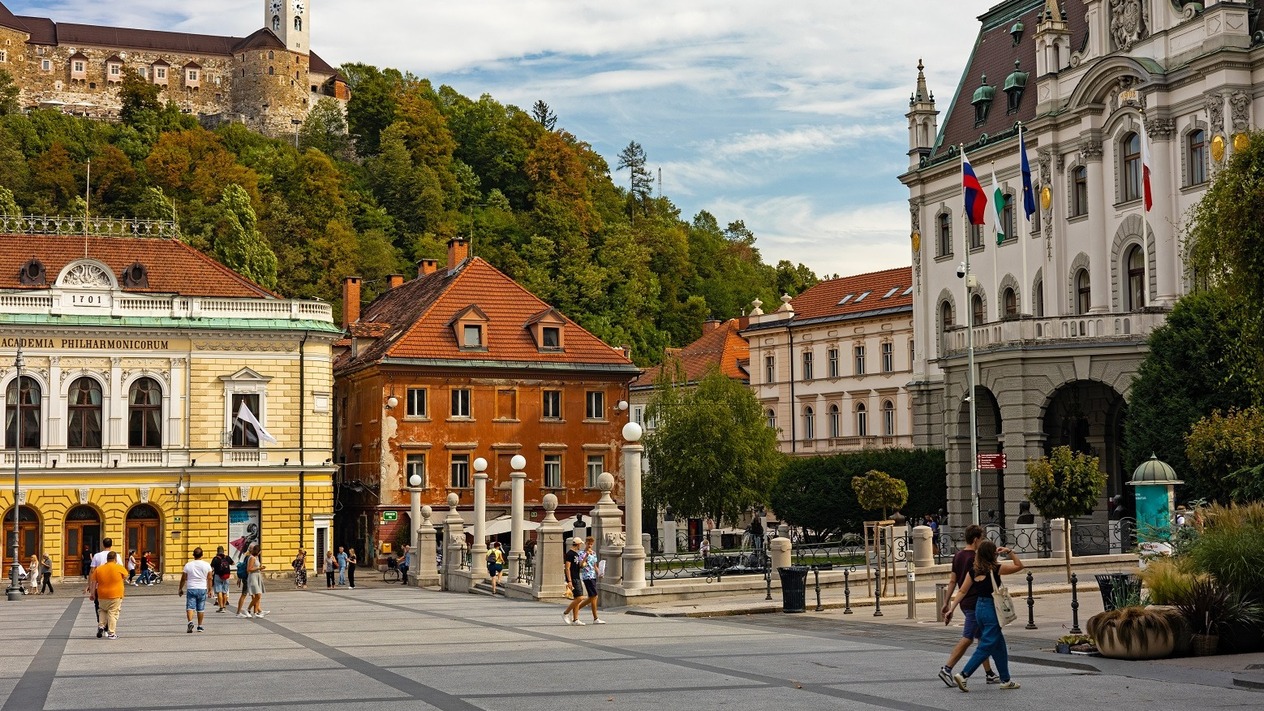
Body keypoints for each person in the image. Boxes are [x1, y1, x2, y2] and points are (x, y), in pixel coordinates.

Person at [945, 540, 1024, 692]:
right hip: (991, 608)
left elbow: (962, 591)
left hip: (979, 609)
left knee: (999, 645)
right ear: (993, 554)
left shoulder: (973, 571)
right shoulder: (996, 568)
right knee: (986, 644)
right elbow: (1019, 566)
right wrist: (1009, 552)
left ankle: (1006, 679)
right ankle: (964, 674)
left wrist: (951, 608)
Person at [938, 525, 996, 686]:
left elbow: (952, 581)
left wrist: (946, 602)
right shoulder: (975, 558)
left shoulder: (958, 556)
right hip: (975, 602)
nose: (982, 542)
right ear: (976, 539)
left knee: (982, 637)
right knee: (968, 637)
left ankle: (989, 673)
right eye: (981, 539)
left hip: (964, 602)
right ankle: (947, 669)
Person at [91, 550, 128, 640]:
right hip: (115, 594)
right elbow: (125, 576)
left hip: (102, 594)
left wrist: (92, 594)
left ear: (107, 559)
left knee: (102, 610)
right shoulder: (119, 568)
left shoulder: (99, 569)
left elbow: (94, 582)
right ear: (115, 559)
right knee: (113, 612)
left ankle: (101, 626)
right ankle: (111, 633)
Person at [85, 537, 117, 637]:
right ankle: (108, 628)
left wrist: (89, 585)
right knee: (111, 608)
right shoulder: (116, 555)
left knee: (99, 607)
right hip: (113, 587)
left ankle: (101, 625)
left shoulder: (97, 556)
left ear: (102, 545)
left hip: (99, 586)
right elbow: (120, 570)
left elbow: (92, 571)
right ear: (111, 544)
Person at [178, 547, 214, 633]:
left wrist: (180, 588)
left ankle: (190, 622)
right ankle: (200, 626)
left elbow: (183, 578)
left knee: (190, 607)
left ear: (193, 555)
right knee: (201, 608)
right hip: (202, 588)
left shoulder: (188, 565)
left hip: (191, 588)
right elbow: (210, 578)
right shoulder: (207, 565)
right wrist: (210, 590)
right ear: (202, 555)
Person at [579, 537, 604, 624]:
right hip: (587, 576)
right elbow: (581, 565)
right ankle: (595, 618)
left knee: (592, 597)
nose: (589, 546)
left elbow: (595, 566)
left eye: (591, 544)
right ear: (585, 543)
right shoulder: (581, 553)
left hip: (593, 576)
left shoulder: (594, 553)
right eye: (588, 544)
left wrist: (599, 573)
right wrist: (586, 556)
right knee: (594, 596)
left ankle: (576, 609)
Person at [242, 543, 268, 618]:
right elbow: (249, 569)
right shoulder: (252, 558)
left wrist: (260, 568)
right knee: (258, 595)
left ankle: (256, 612)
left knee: (258, 595)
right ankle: (248, 609)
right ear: (258, 551)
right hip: (253, 577)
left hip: (257, 576)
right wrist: (259, 568)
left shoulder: (256, 558)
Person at [210, 546, 233, 612]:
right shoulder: (227, 557)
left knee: (219, 592)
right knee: (224, 592)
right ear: (223, 551)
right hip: (226, 576)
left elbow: (211, 567)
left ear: (217, 551)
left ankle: (221, 607)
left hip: (218, 576)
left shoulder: (215, 559)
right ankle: (224, 606)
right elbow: (233, 563)